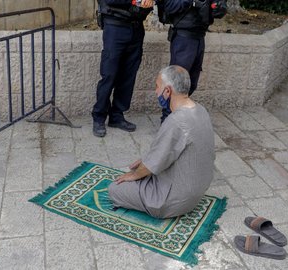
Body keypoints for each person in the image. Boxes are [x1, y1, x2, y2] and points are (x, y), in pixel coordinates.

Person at [108, 65, 215, 219]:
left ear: (167, 91)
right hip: (198, 192)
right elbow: (170, 152)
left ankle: (154, 202)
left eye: (157, 87)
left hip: (173, 201)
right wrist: (146, 160)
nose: (156, 92)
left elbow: (153, 164)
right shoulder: (201, 110)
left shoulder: (176, 121)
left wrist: (134, 175)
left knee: (115, 190)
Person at [92, 0, 154, 137]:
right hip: (115, 26)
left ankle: (116, 116)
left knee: (128, 76)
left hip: (136, 27)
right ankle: (99, 117)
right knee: (109, 74)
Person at [159, 0, 212, 122]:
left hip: (200, 35)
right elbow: (168, 6)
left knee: (191, 82)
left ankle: (177, 113)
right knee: (176, 82)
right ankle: (167, 119)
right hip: (183, 37)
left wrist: (218, 8)